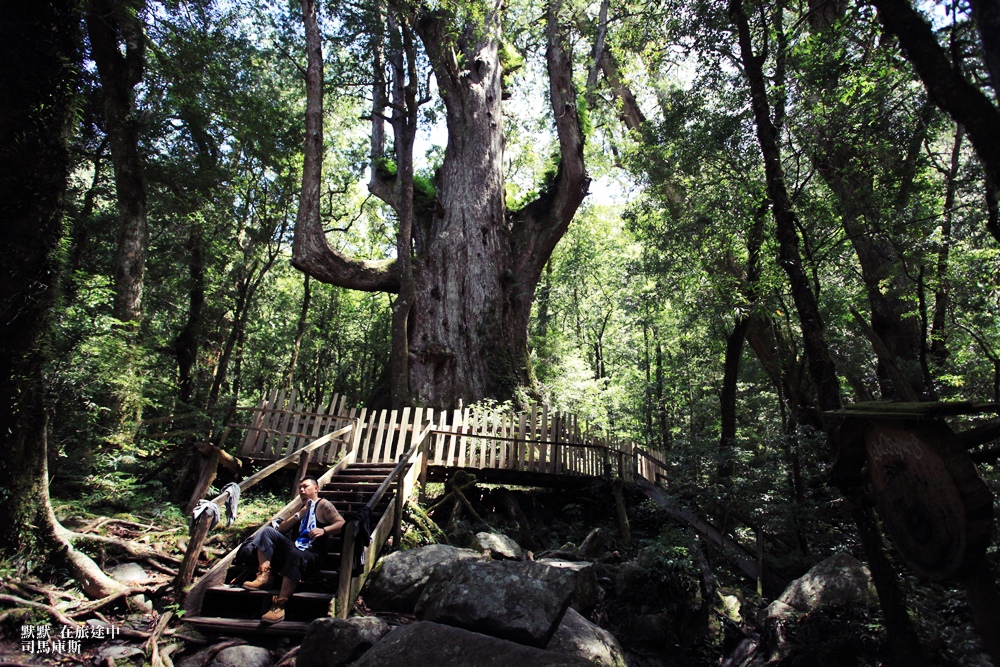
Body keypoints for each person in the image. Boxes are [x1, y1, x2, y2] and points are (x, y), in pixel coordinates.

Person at [242, 476, 345, 623]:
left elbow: (341, 523)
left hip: (312, 555)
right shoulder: (301, 508)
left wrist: (324, 530)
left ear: (316, 488)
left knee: (295, 554)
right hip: (295, 549)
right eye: (300, 488)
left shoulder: (323, 505)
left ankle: (279, 605)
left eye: (306, 487)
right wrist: (298, 515)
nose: (302, 490)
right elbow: (281, 529)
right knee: (267, 532)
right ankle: (265, 576)